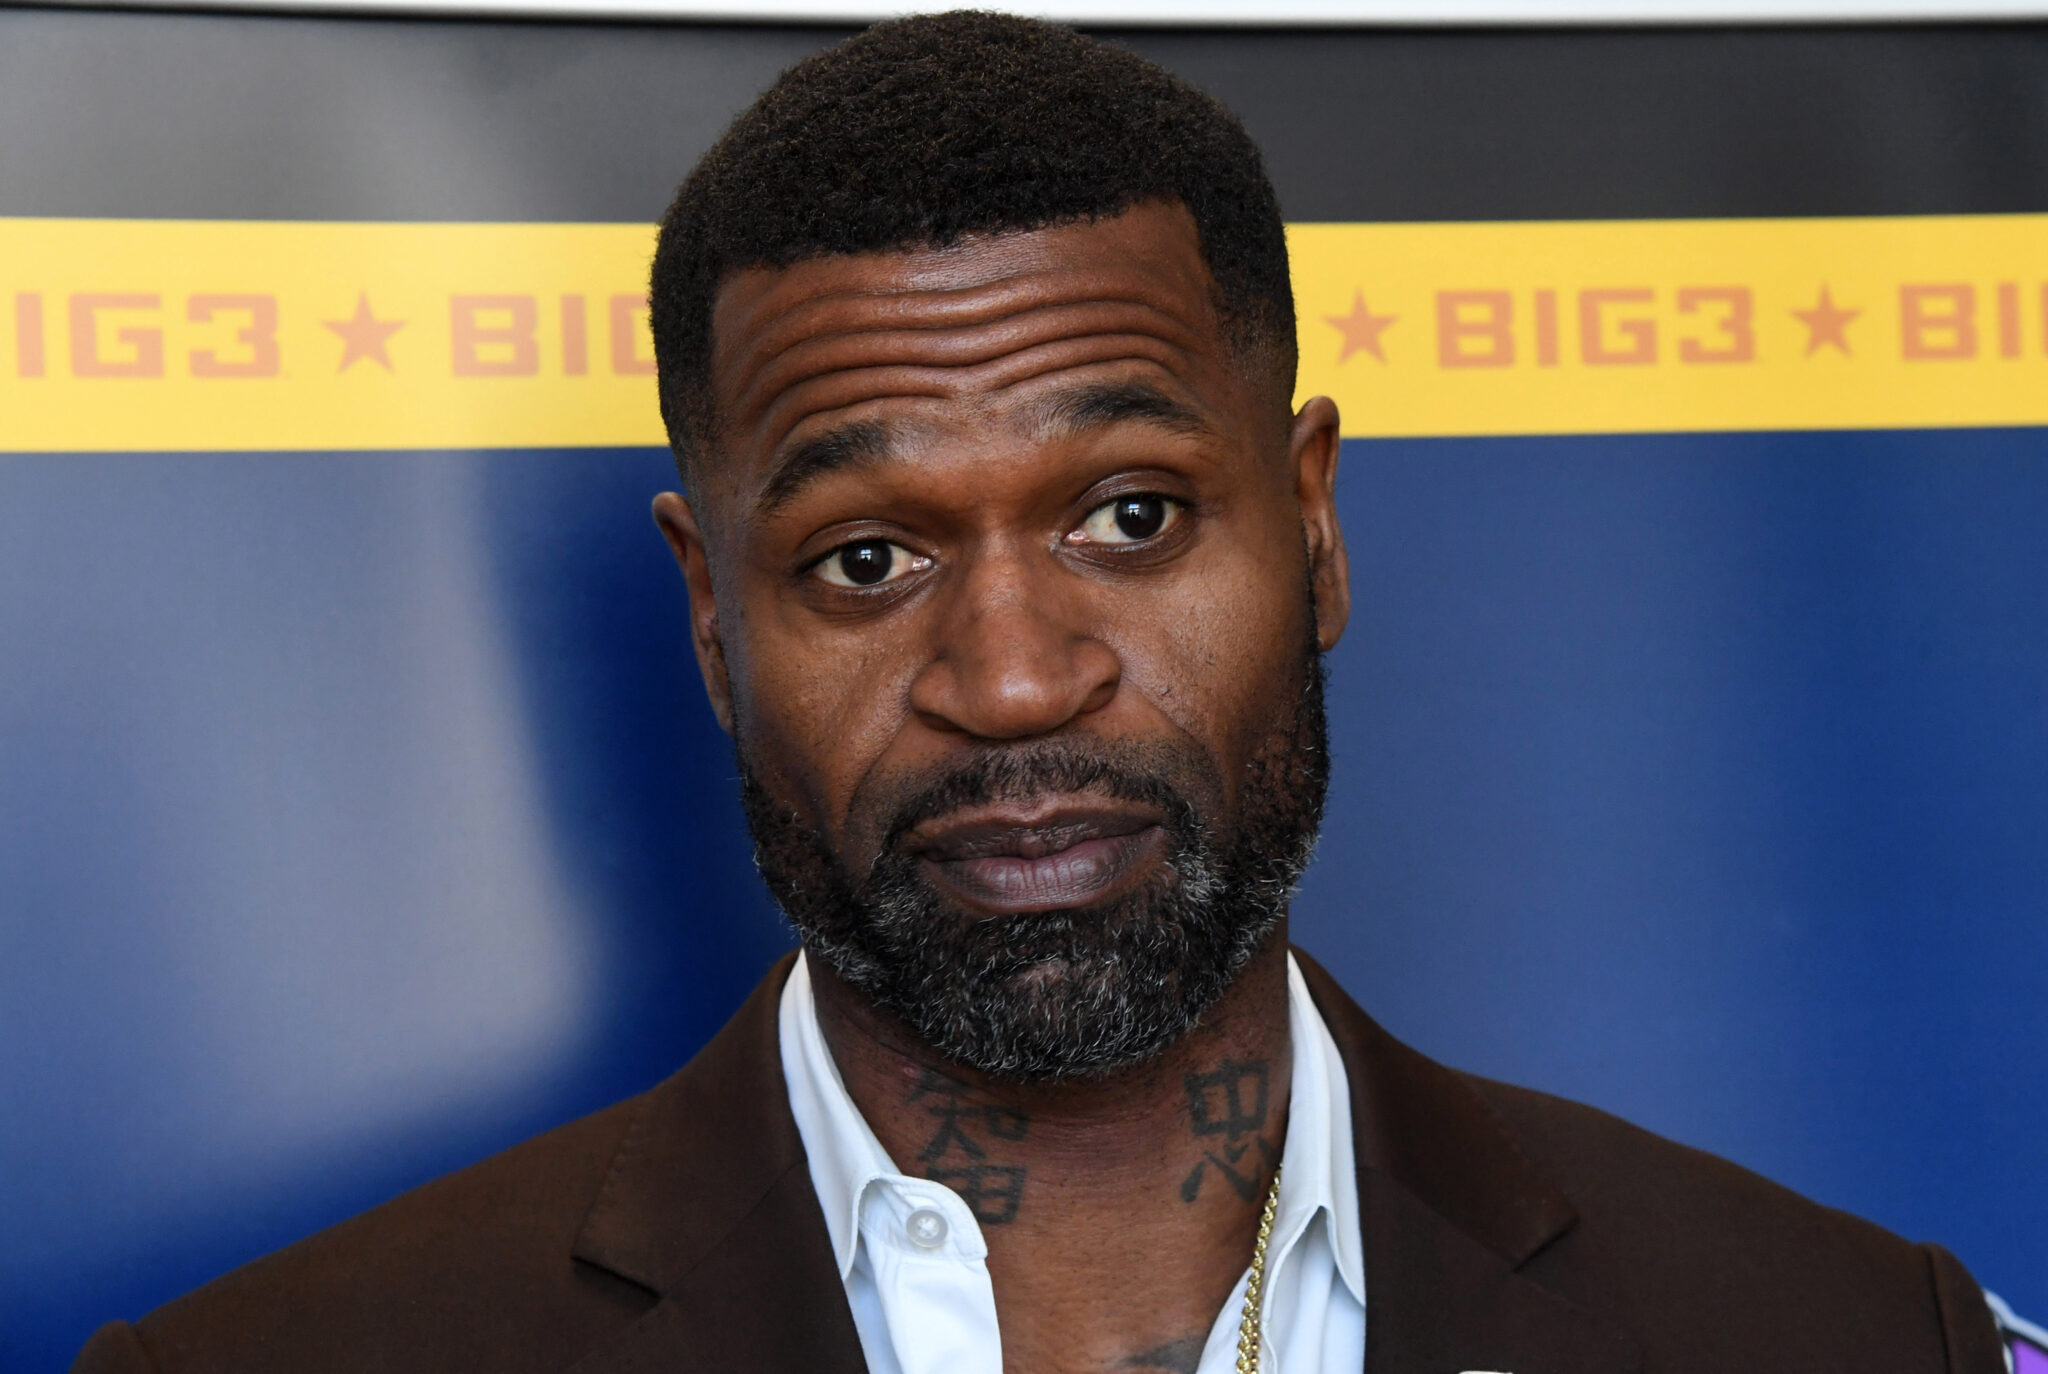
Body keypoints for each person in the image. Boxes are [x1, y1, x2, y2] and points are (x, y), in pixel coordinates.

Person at [73, 14, 2030, 1374]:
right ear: (708, 617)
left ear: (1314, 526)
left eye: (1129, 514)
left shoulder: (1842, 1340)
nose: (1013, 680)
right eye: (866, 557)